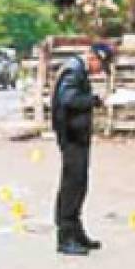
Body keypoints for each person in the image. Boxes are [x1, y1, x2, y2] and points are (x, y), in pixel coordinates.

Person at [51, 42, 113, 255]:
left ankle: (76, 232)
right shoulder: (73, 70)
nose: (99, 71)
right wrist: (93, 100)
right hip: (71, 137)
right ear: (94, 57)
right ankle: (65, 237)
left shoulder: (77, 70)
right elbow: (68, 100)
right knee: (72, 186)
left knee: (79, 185)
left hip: (77, 136)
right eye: (100, 66)